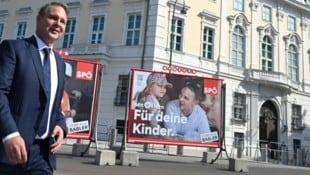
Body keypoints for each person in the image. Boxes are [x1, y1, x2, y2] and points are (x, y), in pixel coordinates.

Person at [0, 2, 68, 174]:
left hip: (42, 155)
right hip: (9, 151)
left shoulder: (60, 64)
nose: (57, 24)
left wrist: (60, 126)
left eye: (62, 21)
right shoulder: (14, 49)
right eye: (53, 17)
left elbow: (54, 106)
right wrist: (10, 134)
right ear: (39, 19)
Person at [61, 62, 82, 129]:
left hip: (62, 129)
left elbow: (69, 122)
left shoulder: (65, 95)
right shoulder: (51, 92)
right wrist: (70, 113)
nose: (65, 81)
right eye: (64, 78)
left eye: (67, 79)